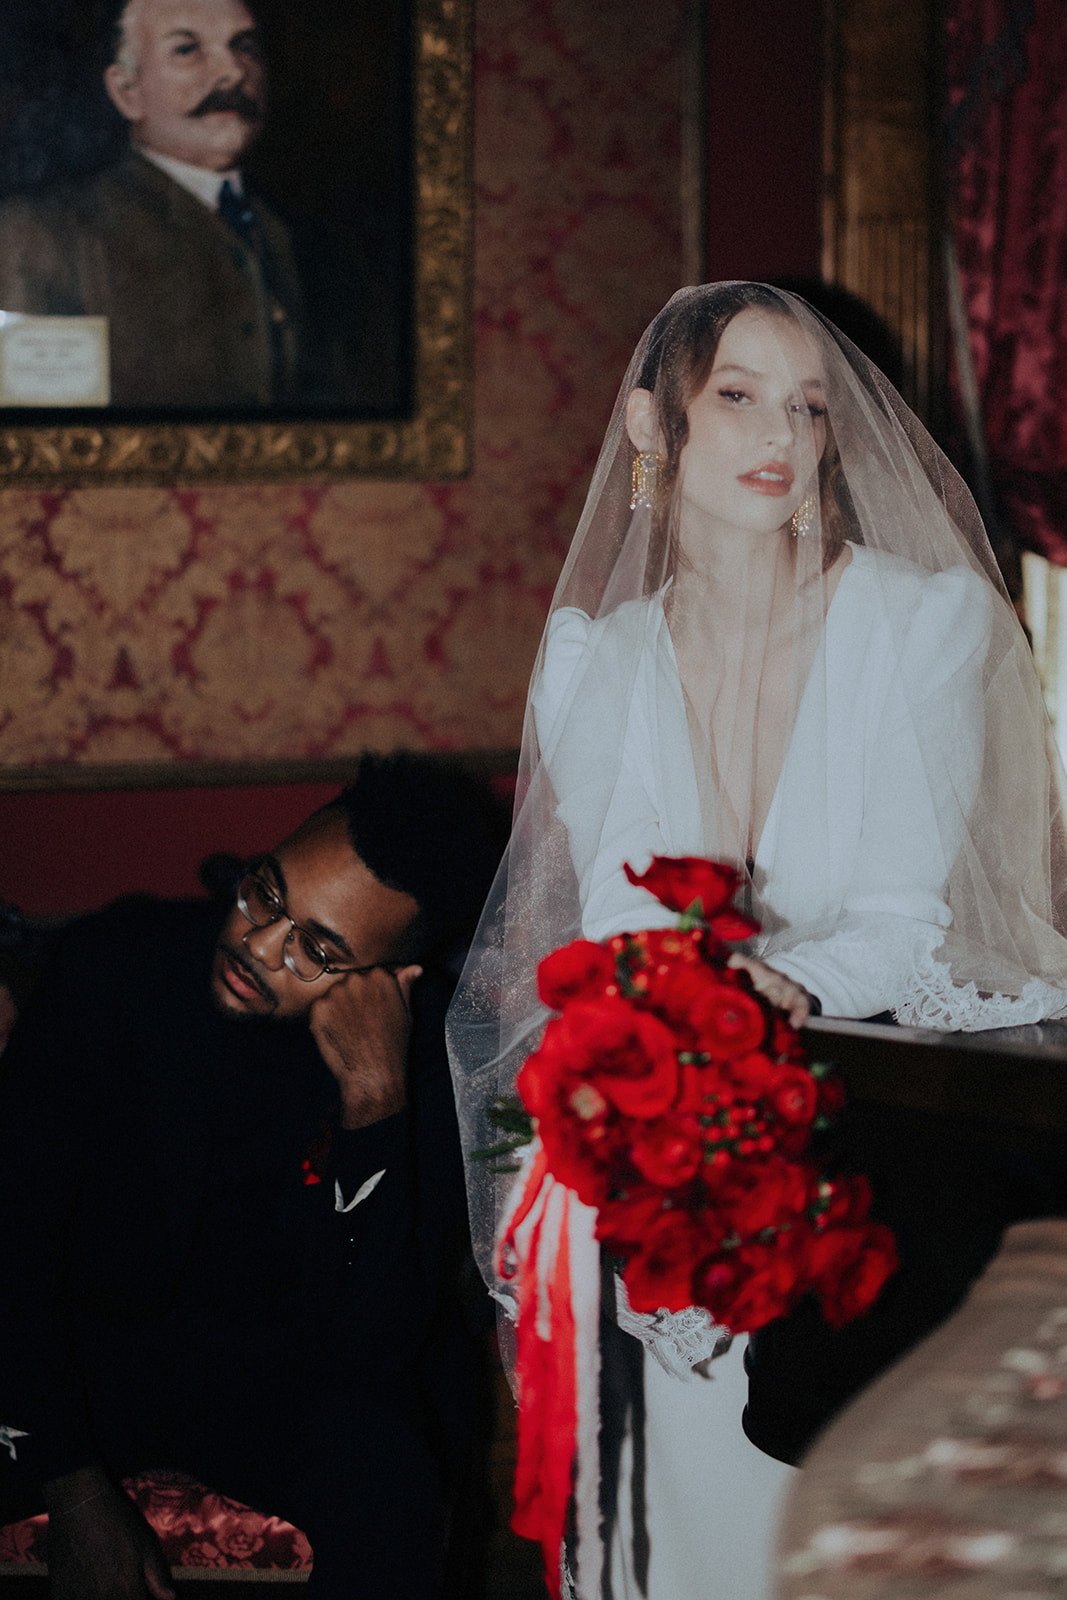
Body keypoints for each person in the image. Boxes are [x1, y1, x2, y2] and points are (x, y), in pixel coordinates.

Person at [447, 282, 1067, 1599]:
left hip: (867, 1114)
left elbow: (900, 920)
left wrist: (763, 995)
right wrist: (681, 1032)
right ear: (649, 424)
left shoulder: (920, 626)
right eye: (735, 395)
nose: (779, 433)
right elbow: (615, 910)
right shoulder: (592, 658)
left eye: (808, 405)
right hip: (660, 1111)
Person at [0, 752, 501, 1600]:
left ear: (392, 979)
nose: (258, 944)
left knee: (387, 1479)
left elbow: (374, 1346)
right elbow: (14, 1231)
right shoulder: (115, 962)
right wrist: (73, 1487)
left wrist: (373, 1104)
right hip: (89, 1357)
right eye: (267, 893)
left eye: (317, 949)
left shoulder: (426, 1063)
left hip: (287, 1385)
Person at [0, 0, 303, 408]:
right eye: (187, 50)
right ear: (127, 91)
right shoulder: (39, 238)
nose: (234, 71)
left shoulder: (300, 237)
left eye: (244, 46)